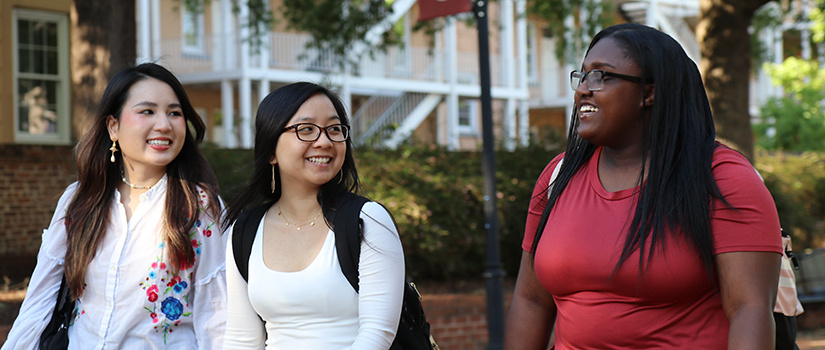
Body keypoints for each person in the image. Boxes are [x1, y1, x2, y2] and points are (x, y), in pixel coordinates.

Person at [504, 23, 783, 349]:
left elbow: (750, 310)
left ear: (650, 92)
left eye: (601, 76)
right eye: (582, 76)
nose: (582, 89)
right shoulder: (558, 176)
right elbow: (530, 300)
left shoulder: (722, 178)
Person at [2, 63, 227, 349]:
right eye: (147, 111)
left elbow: (218, 316)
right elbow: (39, 299)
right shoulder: (80, 200)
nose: (164, 124)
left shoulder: (200, 207)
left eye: (174, 112)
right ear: (113, 126)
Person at [222, 82, 405, 349]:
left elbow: (377, 335)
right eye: (306, 129)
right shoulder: (245, 230)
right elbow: (241, 339)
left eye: (334, 129)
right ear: (271, 150)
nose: (324, 142)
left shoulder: (367, 221)